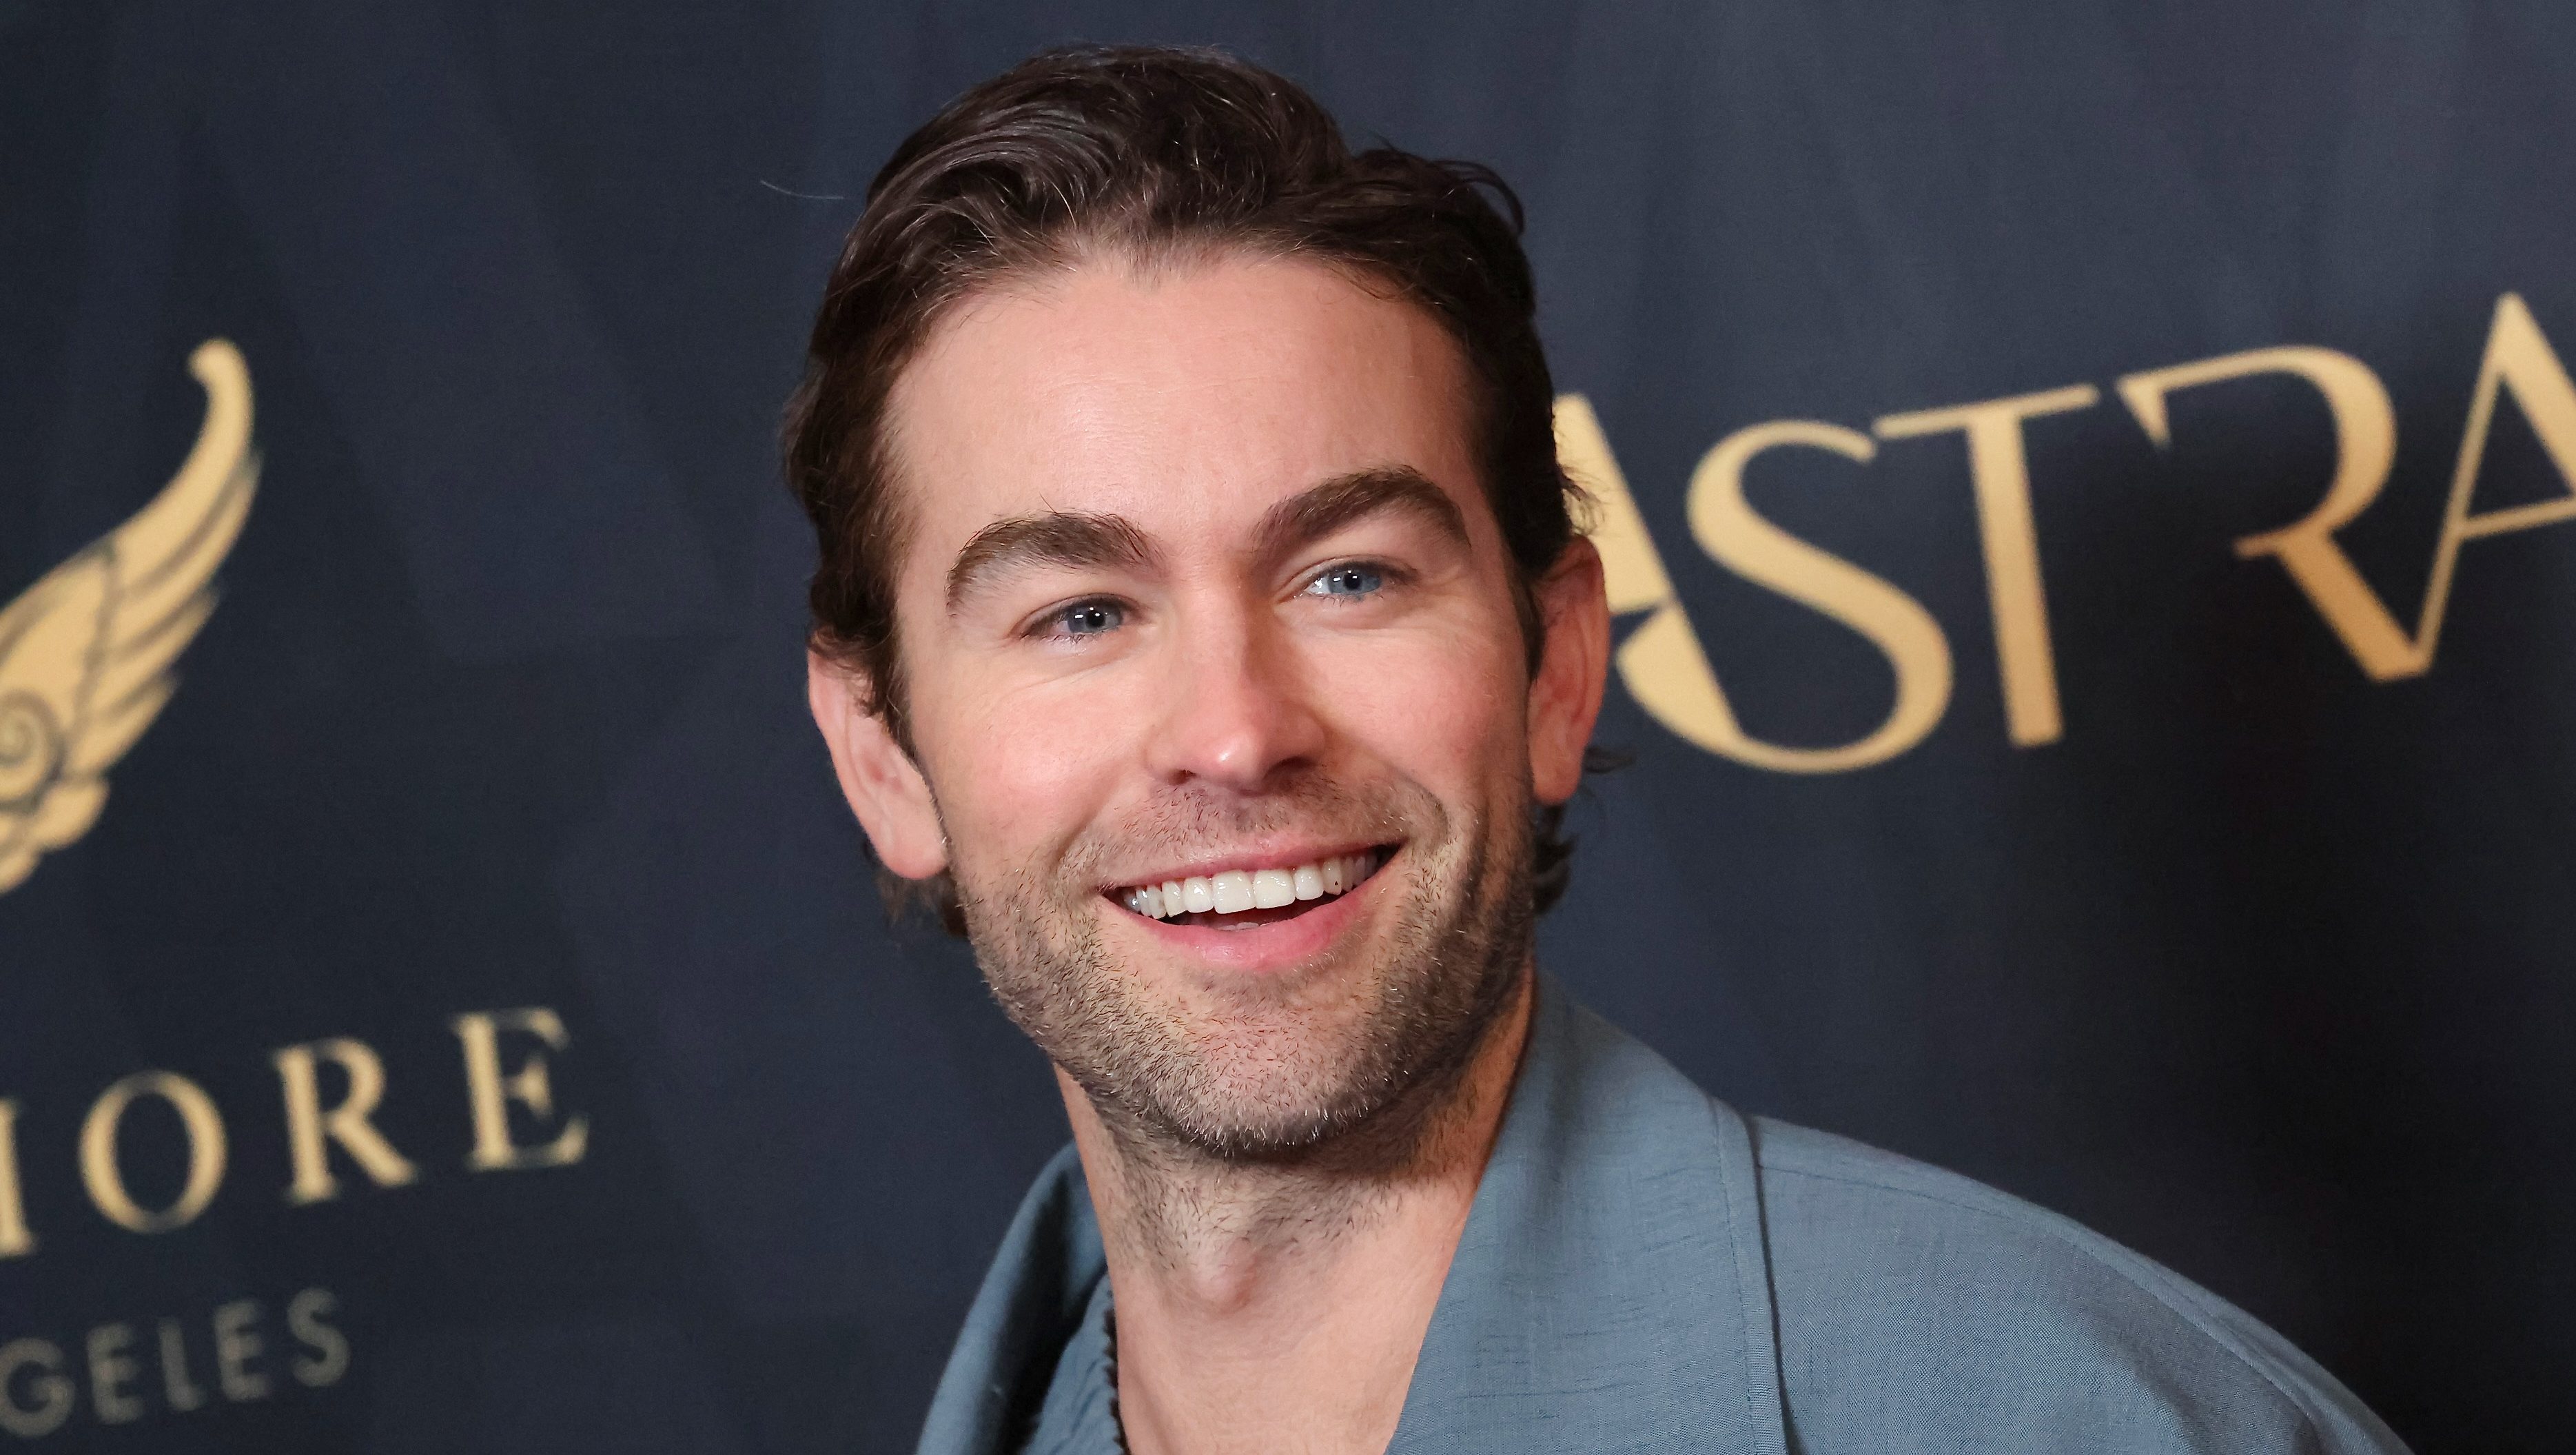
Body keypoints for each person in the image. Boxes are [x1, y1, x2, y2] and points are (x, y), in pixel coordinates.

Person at [789, 43, 2409, 1455]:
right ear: (882, 754)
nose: (1234, 731)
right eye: (1079, 613)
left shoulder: (2096, 1423)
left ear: (1558, 663)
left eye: (1347, 576)